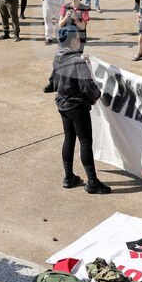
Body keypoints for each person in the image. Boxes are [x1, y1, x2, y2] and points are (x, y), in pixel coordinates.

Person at [51, 25, 110, 194]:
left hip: (62, 103)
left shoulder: (58, 54)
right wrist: (98, 96)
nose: (79, 40)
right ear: (74, 41)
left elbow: (54, 81)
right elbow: (88, 88)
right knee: (85, 142)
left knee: (69, 139)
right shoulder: (78, 61)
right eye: (77, 37)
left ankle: (68, 177)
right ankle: (92, 182)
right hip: (77, 106)